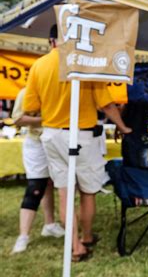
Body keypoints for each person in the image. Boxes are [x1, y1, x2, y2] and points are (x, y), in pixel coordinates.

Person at [23, 25, 132, 262]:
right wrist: (123, 127)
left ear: (51, 41)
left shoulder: (39, 66)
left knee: (64, 193)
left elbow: (30, 107)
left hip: (52, 135)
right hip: (83, 135)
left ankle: (75, 248)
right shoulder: (85, 63)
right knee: (88, 191)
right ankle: (86, 237)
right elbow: (106, 105)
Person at [11, 88, 64, 254]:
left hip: (58, 140)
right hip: (37, 142)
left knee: (48, 183)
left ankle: (49, 225)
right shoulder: (26, 92)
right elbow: (18, 118)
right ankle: (23, 236)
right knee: (36, 186)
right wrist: (47, 119)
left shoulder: (61, 88)